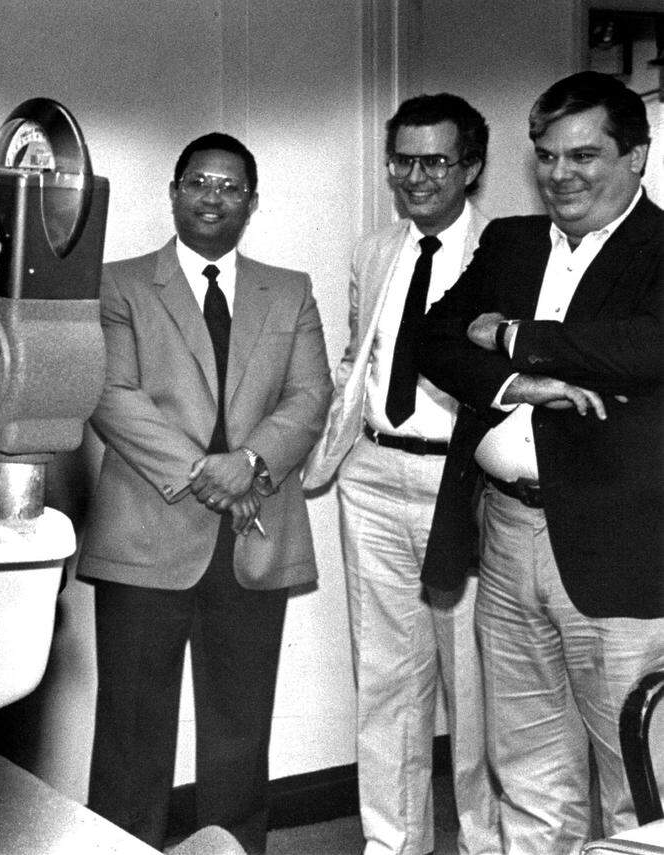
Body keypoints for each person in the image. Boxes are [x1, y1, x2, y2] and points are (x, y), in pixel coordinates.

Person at [419, 70, 664, 853]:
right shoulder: (511, 242)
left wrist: (512, 335)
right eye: (548, 156)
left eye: (584, 155)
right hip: (505, 530)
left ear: (637, 157)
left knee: (639, 784)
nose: (561, 175)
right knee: (526, 769)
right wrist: (522, 382)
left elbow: (640, 347)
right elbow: (434, 338)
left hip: (622, 551)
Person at [77, 132, 332, 854]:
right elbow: (111, 393)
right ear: (174, 192)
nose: (213, 197)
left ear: (251, 202)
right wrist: (209, 473)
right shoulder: (118, 283)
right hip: (144, 535)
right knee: (130, 730)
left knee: (240, 731)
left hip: (252, 541)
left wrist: (248, 458)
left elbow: (311, 395)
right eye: (199, 182)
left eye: (230, 186)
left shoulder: (290, 289)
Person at [304, 94, 500, 855]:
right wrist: (335, 449)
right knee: (384, 682)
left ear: (472, 168)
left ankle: (487, 841)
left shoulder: (504, 251)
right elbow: (362, 359)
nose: (415, 177)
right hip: (375, 477)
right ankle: (393, 842)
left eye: (435, 161)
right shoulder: (374, 249)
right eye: (402, 161)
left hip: (463, 485)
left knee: (475, 687)